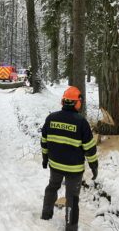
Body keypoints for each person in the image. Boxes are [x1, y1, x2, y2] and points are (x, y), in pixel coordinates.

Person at [40, 86, 98, 231]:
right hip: (74, 169)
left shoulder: (51, 118)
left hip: (55, 165)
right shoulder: (81, 122)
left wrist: (45, 158)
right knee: (72, 197)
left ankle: (46, 215)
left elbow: (44, 141)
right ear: (77, 103)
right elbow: (90, 148)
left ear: (63, 101)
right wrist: (94, 166)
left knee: (52, 187)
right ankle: (71, 227)